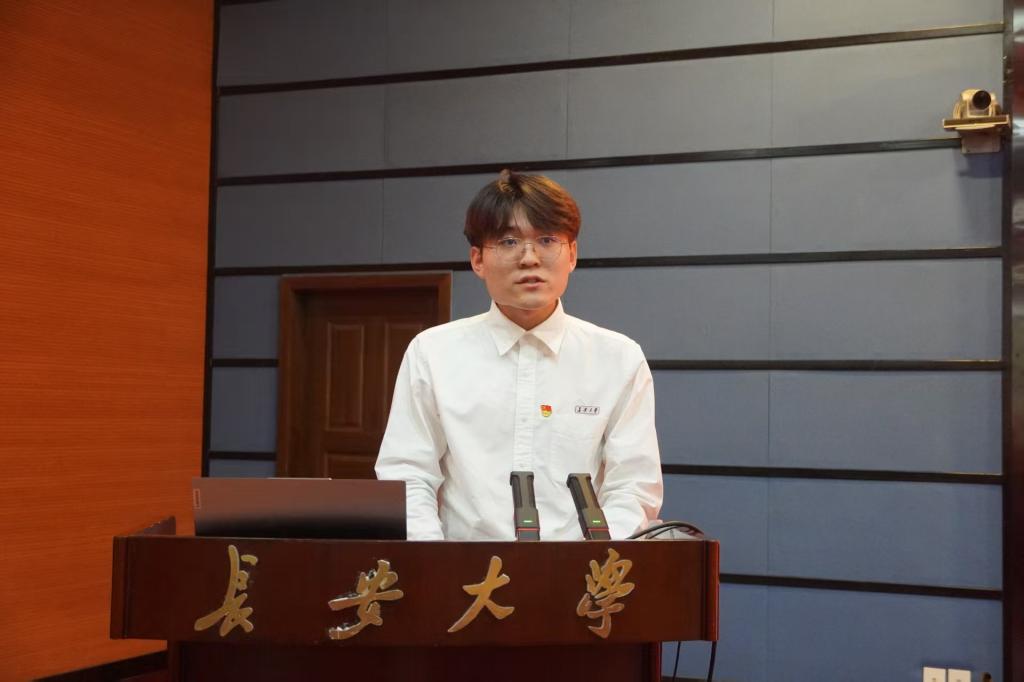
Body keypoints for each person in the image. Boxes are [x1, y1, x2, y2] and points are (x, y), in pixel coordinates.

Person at [375, 170, 662, 540]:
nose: (529, 258)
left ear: (572, 254)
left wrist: (595, 560)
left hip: (580, 571)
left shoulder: (618, 358)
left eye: (547, 240)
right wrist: (435, 563)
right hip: (463, 568)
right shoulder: (433, 353)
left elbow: (632, 488)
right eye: (509, 241)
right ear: (478, 260)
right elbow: (408, 475)